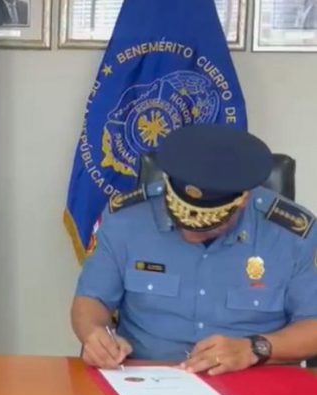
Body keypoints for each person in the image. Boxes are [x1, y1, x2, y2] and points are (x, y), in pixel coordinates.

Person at [71, 124, 317, 375]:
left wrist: (254, 348)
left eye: (207, 226)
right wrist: (95, 334)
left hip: (254, 382)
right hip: (145, 379)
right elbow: (91, 299)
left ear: (242, 200)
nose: (189, 234)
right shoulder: (126, 220)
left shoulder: (291, 234)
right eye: (178, 220)